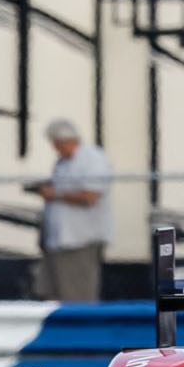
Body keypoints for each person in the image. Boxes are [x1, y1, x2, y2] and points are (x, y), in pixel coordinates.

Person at [33, 119, 111, 302]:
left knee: (78, 293)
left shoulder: (92, 159)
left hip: (80, 240)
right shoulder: (62, 163)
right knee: (51, 290)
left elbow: (91, 195)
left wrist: (54, 194)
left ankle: (84, 328)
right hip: (58, 240)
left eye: (56, 144)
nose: (55, 148)